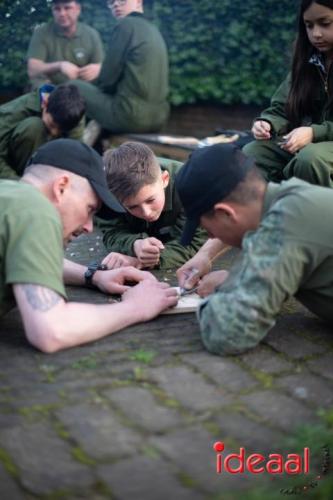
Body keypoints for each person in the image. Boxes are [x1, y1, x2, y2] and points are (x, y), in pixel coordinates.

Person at [0, 138, 178, 353]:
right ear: (61, 187)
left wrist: (92, 276)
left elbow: (27, 258)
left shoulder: (11, 197)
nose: (88, 227)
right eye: (90, 208)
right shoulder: (35, 209)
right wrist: (136, 307)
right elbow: (51, 330)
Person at [175, 143, 333, 356]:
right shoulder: (294, 199)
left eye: (207, 229)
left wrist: (227, 289)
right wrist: (240, 277)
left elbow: (229, 334)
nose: (211, 237)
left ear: (225, 214)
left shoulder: (286, 220)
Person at [243, 0, 333, 187]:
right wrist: (267, 123)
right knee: (252, 153)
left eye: (325, 23)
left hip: (318, 147)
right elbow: (283, 107)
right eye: (309, 26)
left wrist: (314, 132)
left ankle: (315, 214)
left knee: (310, 159)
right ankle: (265, 213)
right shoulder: (309, 62)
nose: (316, 33)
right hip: (313, 144)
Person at [98, 142, 208, 269]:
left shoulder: (192, 187)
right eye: (132, 207)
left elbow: (191, 244)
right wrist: (134, 244)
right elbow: (111, 232)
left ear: (164, 179)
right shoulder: (109, 192)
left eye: (150, 200)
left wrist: (150, 260)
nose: (146, 212)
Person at [71, 0, 169, 133]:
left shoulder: (126, 24)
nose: (116, 4)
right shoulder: (153, 29)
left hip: (130, 116)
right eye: (111, 2)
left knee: (70, 87)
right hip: (159, 119)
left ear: (138, 1)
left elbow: (107, 80)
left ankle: (58, 146)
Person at [0, 84, 85, 179]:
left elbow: (74, 155)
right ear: (44, 103)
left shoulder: (72, 113)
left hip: (47, 166)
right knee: (34, 127)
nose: (54, 133)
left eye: (61, 129)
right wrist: (20, 183)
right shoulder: (15, 112)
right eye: (51, 125)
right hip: (13, 168)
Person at [27, 0, 104, 87]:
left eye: (67, 8)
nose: (62, 14)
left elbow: (99, 65)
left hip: (82, 90)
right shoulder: (42, 33)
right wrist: (60, 66)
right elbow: (33, 70)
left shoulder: (91, 34)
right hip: (50, 89)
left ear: (78, 9)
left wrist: (98, 68)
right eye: (57, 9)